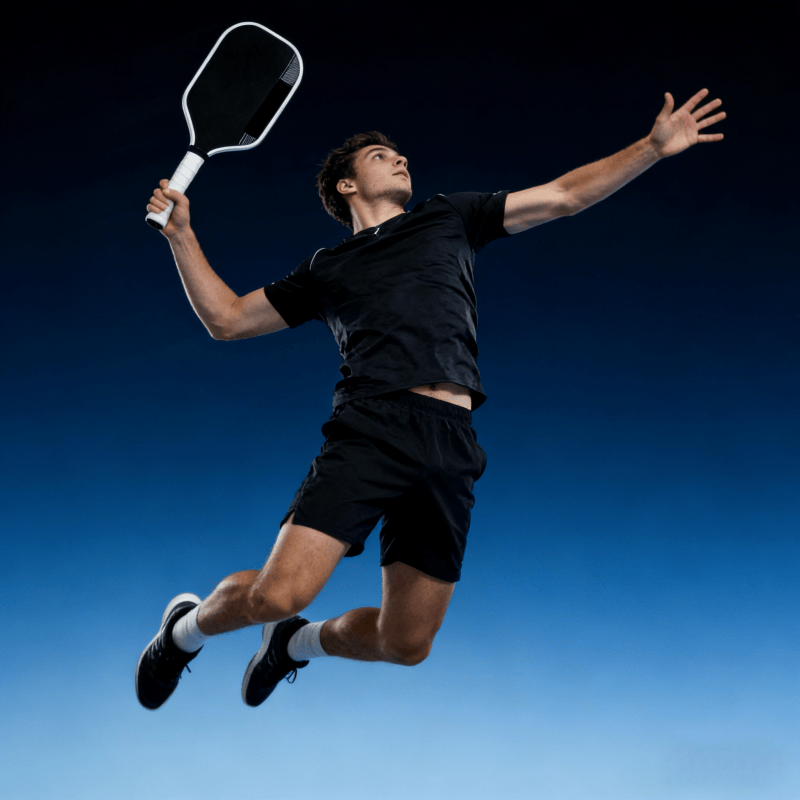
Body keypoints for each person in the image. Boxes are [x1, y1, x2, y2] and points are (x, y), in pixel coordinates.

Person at [136, 89, 725, 710]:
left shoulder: (449, 216)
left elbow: (563, 196)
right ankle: (181, 633)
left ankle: (293, 645)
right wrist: (182, 236)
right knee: (279, 594)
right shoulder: (325, 269)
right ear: (345, 186)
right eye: (380, 155)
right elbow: (227, 319)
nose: (400, 159)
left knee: (406, 642)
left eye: (400, 154)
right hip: (372, 427)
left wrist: (652, 148)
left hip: (451, 439)